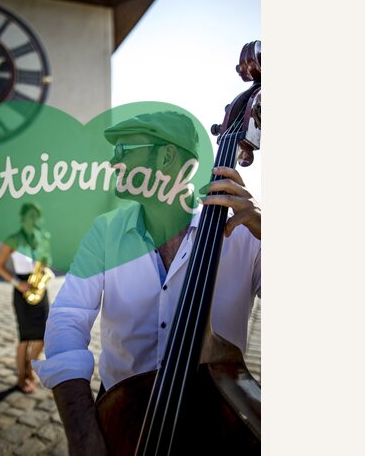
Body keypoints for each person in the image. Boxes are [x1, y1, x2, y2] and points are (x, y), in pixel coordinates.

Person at [32, 112, 261, 454]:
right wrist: (81, 432)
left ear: (167, 156)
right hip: (121, 413)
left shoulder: (245, 233)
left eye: (124, 149)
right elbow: (68, 315)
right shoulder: (105, 231)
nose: (112, 162)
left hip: (215, 417)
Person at [0, 202, 53, 393]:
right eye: (31, 216)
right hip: (22, 289)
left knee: (42, 336)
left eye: (37, 216)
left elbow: (47, 260)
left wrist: (44, 266)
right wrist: (17, 283)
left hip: (39, 288)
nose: (34, 220)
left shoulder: (43, 237)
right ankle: (22, 376)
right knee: (24, 337)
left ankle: (29, 367)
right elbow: (0, 266)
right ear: (22, 218)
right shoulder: (13, 239)